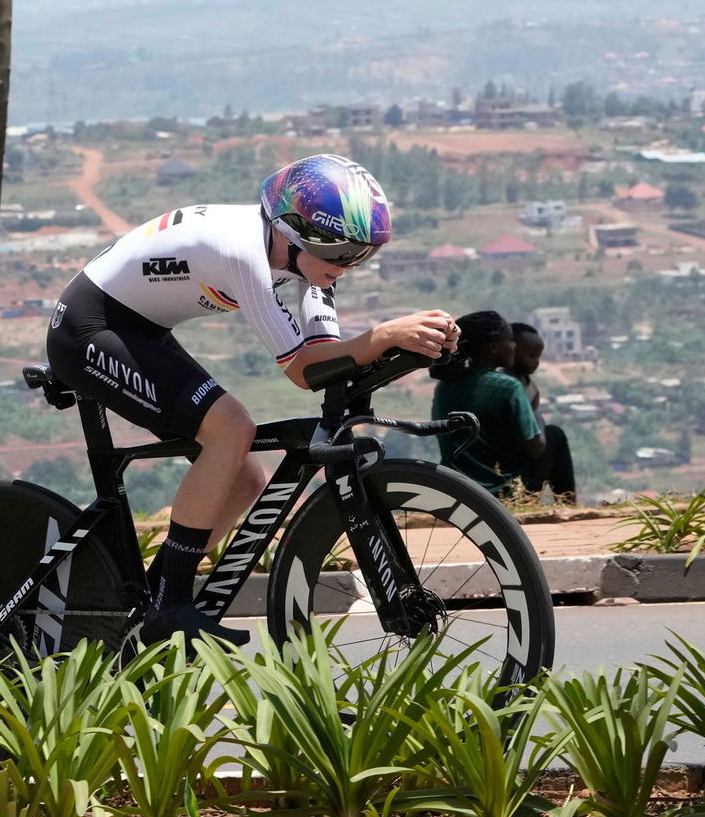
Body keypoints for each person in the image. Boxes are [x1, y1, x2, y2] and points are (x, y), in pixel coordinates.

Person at [45, 154, 458, 645]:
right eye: (343, 254)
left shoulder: (304, 261)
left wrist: (405, 347)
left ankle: (152, 596)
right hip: (89, 328)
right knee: (231, 429)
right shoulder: (244, 251)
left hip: (141, 327)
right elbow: (302, 373)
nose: (348, 267)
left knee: (243, 478)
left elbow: (326, 357)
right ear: (295, 235)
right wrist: (388, 332)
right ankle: (168, 603)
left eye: (361, 256)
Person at [431, 311, 576, 504]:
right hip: (504, 493)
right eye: (509, 340)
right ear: (493, 347)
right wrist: (534, 410)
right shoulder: (508, 387)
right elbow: (535, 449)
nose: (514, 346)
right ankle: (568, 505)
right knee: (554, 434)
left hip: (458, 491)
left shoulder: (444, 386)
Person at [508, 321, 543, 411]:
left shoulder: (532, 388)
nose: (536, 362)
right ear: (512, 350)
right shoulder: (501, 384)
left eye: (538, 357)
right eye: (531, 355)